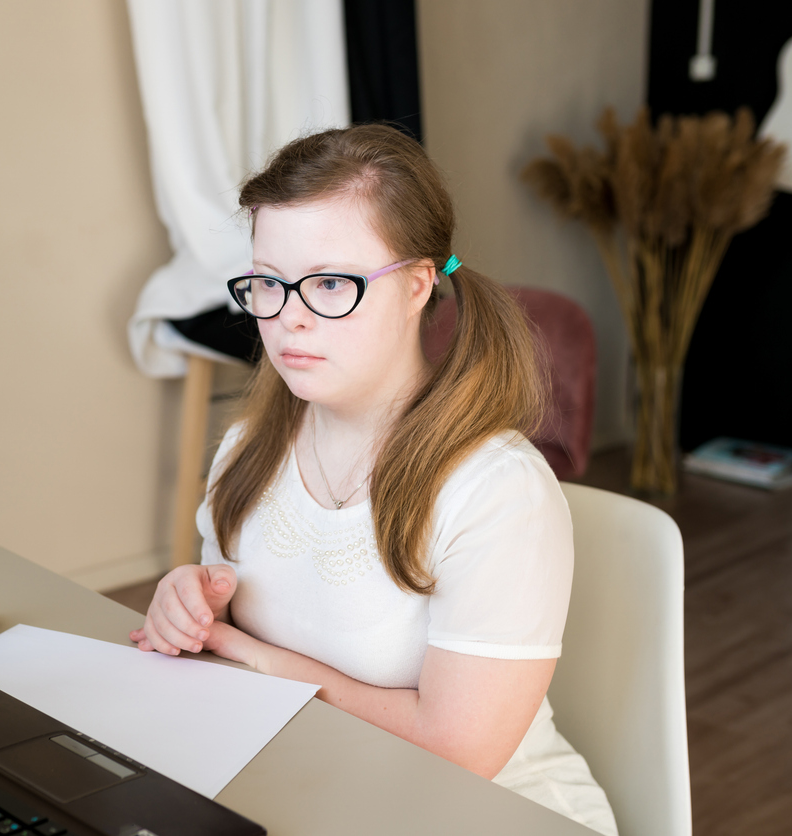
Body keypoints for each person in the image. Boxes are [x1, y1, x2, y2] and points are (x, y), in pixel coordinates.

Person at [130, 124, 618, 835]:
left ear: (419, 284)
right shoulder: (245, 451)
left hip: (490, 812)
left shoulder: (496, 490)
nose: (289, 317)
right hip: (316, 790)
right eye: (269, 283)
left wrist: (265, 664)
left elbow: (458, 750)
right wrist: (192, 606)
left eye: (330, 282)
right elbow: (226, 635)